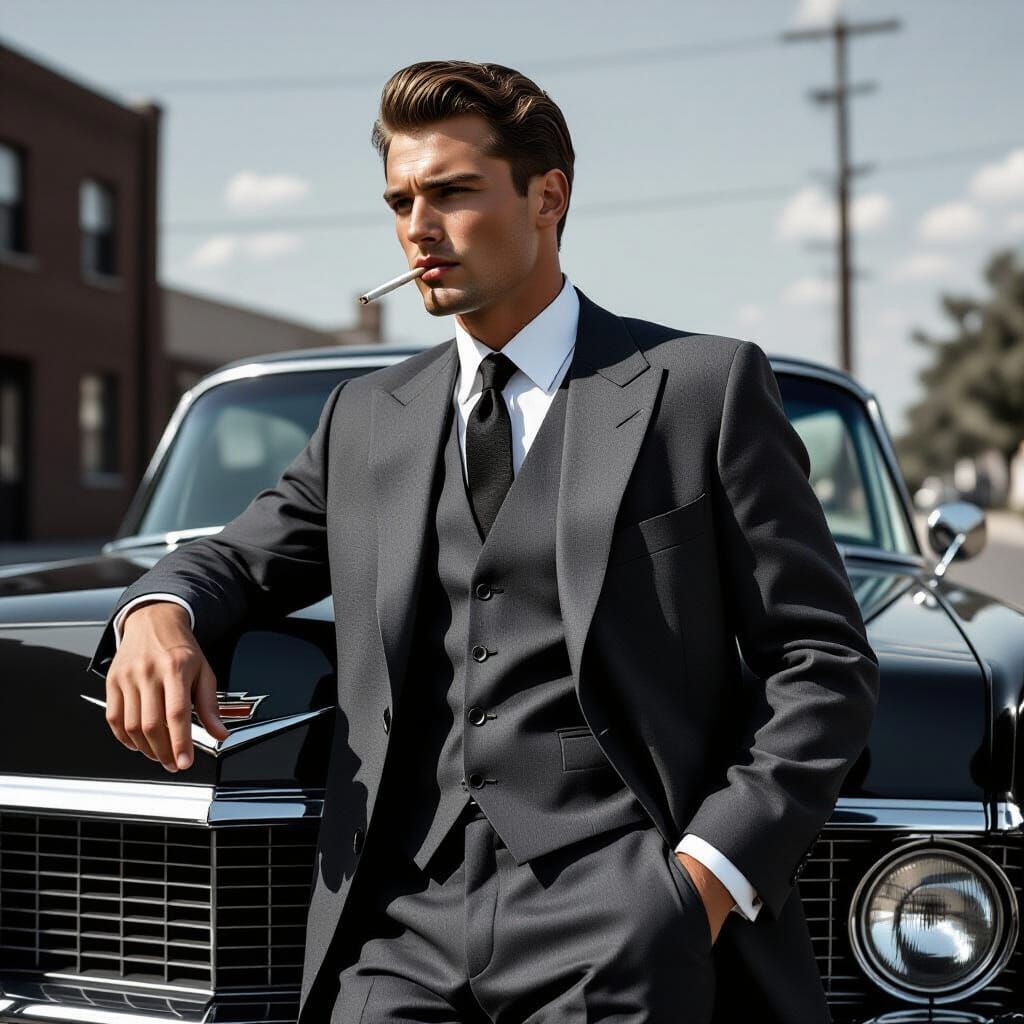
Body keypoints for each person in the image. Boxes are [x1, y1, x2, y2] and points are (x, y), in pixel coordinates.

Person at [89, 59, 880, 1023]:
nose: (419, 227)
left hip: (620, 909)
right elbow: (236, 556)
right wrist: (158, 614)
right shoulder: (366, 416)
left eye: (453, 193)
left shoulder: (699, 389)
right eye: (401, 202)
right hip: (398, 924)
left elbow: (823, 661)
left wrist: (699, 884)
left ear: (549, 197)